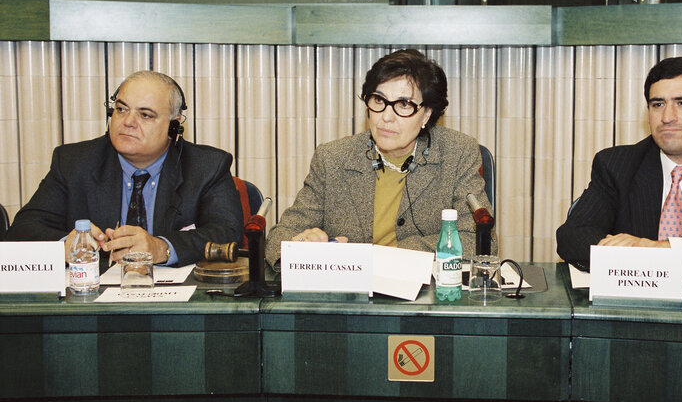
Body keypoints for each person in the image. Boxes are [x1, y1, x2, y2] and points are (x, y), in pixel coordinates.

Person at [265, 49, 495, 268]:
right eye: (378, 100)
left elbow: (481, 242)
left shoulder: (457, 153)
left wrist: (392, 255)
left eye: (404, 105)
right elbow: (280, 239)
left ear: (427, 114)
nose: (386, 117)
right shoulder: (332, 158)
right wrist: (301, 245)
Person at [7, 70, 243, 268]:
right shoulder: (73, 162)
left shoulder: (207, 166)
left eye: (145, 115)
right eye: (121, 109)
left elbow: (227, 234)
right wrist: (66, 243)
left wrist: (162, 248)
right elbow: (23, 230)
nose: (128, 121)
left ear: (174, 127)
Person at [557, 56, 682, 269]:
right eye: (658, 104)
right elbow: (572, 236)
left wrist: (665, 249)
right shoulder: (616, 165)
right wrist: (626, 252)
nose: (667, 117)